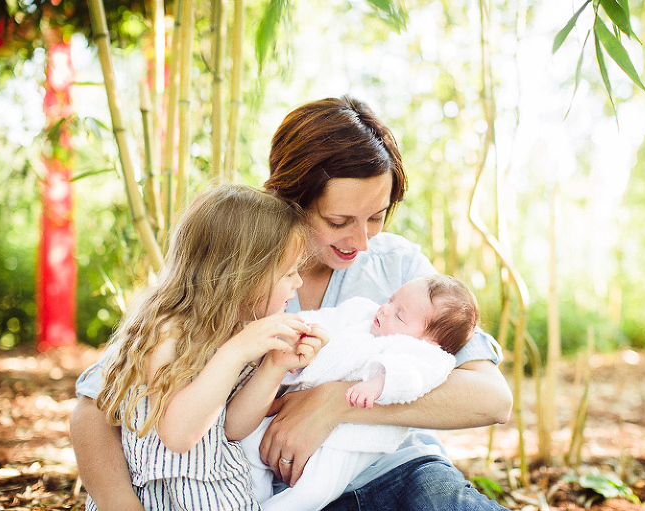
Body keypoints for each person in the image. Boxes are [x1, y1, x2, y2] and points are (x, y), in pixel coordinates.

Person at [71, 96, 513, 510]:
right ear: (290, 200)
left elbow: (492, 399)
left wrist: (334, 402)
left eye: (376, 217)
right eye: (338, 221)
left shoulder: (400, 267)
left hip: (392, 474)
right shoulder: (239, 262)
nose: (361, 241)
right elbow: (95, 407)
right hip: (265, 493)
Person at [83, 184, 328, 510]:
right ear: (243, 275)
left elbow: (231, 427)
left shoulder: (236, 333)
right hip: (164, 498)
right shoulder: (168, 331)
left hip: (220, 494)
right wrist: (236, 352)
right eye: (288, 273)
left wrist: (274, 366)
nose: (298, 283)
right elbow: (179, 434)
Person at [244, 275, 481, 511]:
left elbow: (416, 376)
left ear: (429, 342)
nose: (385, 309)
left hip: (350, 439)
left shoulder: (425, 355)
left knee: (315, 489)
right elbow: (324, 320)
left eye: (399, 315)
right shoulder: (362, 313)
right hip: (292, 410)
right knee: (250, 445)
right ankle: (253, 500)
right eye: (391, 300)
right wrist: (298, 336)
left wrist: (380, 384)